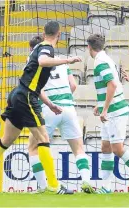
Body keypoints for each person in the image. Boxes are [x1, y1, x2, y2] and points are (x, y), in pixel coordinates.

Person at [0, 21, 81, 194]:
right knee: (43, 139)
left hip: (17, 94)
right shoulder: (46, 47)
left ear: (45, 33)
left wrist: (50, 105)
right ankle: (54, 186)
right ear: (58, 35)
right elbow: (43, 60)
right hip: (27, 96)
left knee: (6, 140)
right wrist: (68, 60)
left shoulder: (37, 47)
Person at [87, 34, 129, 194]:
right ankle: (106, 187)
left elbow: (112, 84)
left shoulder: (100, 62)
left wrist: (104, 109)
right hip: (111, 109)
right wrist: (101, 105)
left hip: (115, 112)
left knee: (117, 148)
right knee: (105, 147)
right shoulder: (106, 59)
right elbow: (111, 86)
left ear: (89, 47)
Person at [27, 35, 95, 193]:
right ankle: (86, 182)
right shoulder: (61, 61)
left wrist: (50, 103)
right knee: (78, 149)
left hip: (49, 108)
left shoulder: (35, 63)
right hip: (69, 109)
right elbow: (74, 85)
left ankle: (44, 187)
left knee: (33, 147)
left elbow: (37, 90)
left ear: (34, 49)